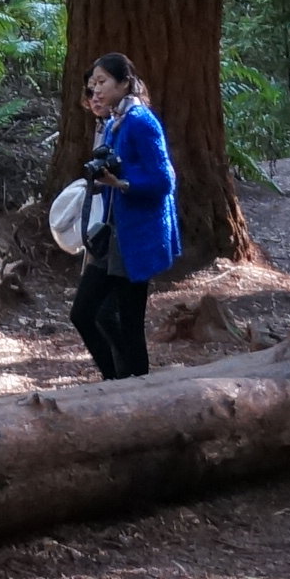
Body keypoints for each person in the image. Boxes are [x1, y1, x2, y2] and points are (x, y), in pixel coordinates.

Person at [50, 52, 181, 382]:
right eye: (93, 83)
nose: (95, 90)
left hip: (136, 237)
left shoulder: (141, 122)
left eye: (103, 82)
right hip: (111, 234)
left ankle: (135, 388)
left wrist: (121, 182)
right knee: (85, 313)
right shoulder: (113, 123)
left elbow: (164, 180)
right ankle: (117, 381)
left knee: (128, 320)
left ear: (124, 83)